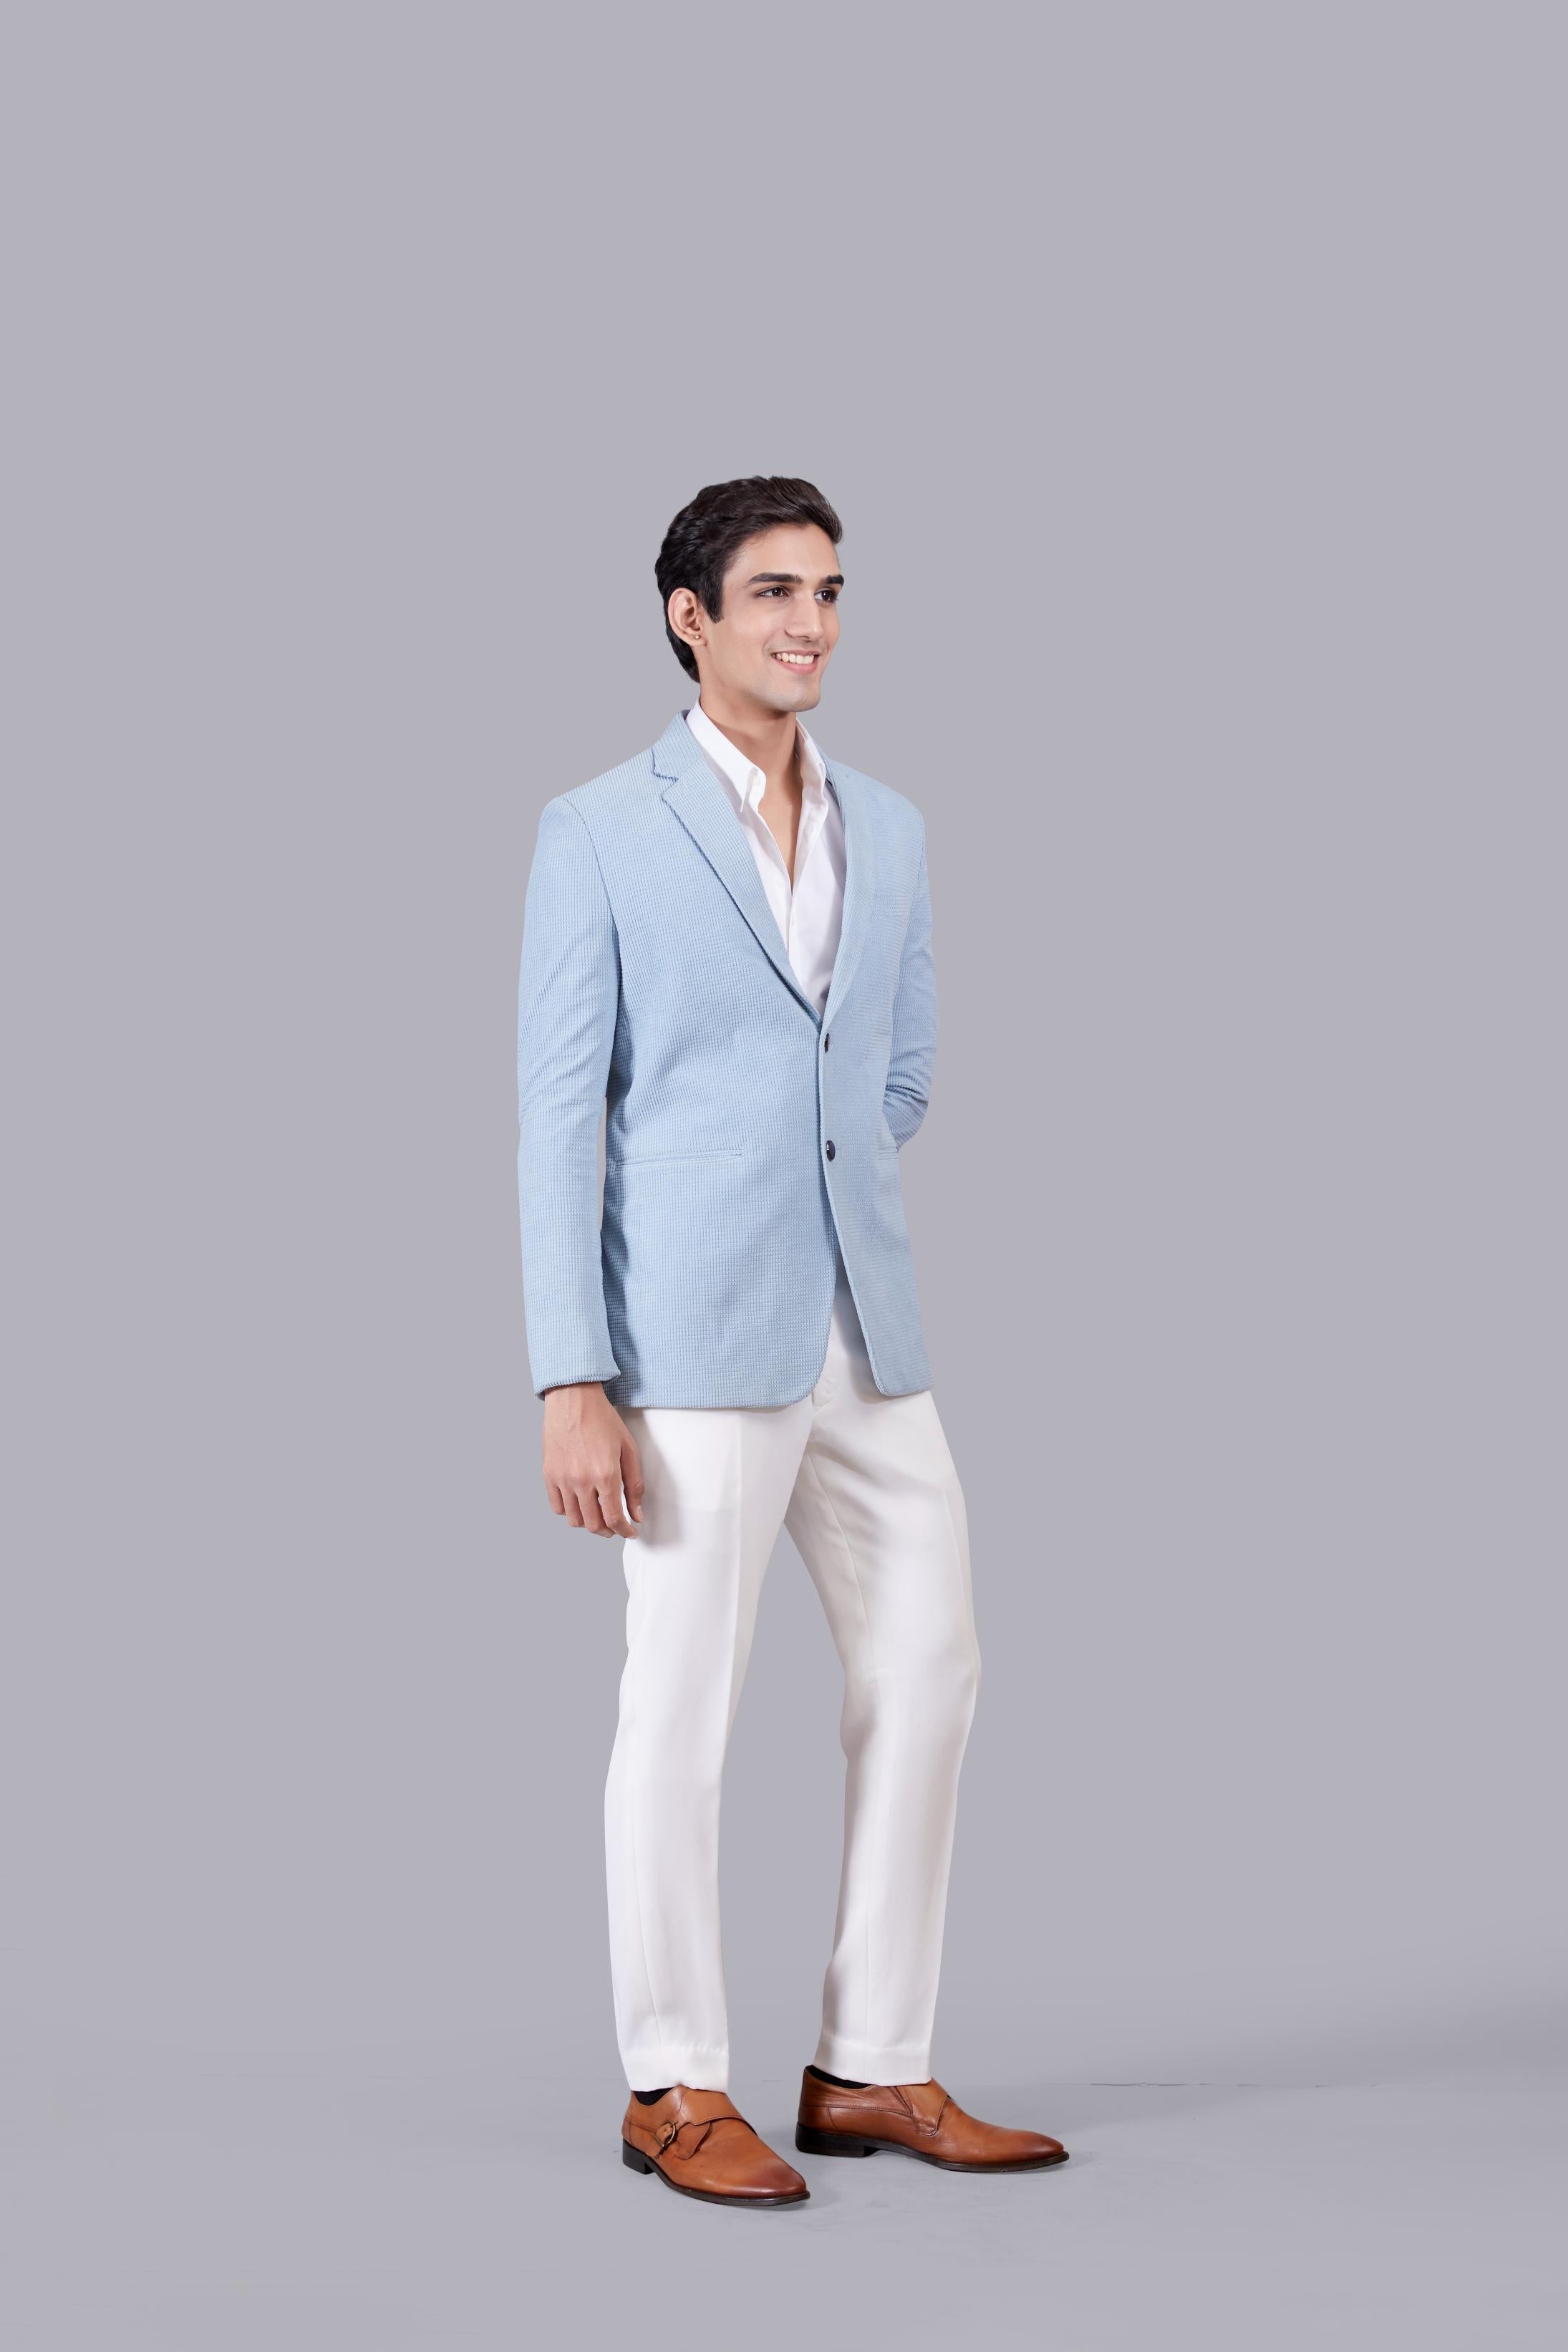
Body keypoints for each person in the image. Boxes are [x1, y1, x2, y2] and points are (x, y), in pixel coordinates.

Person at [516, 476, 1068, 2209]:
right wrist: (572, 1372)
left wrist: (825, 1181)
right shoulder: (597, 828)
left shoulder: (888, 823)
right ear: (690, 616)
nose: (809, 621)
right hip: (686, 1335)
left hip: (863, 1322)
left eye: (828, 588)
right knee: (681, 1710)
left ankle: (872, 2061)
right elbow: (556, 1119)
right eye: (771, 591)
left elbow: (900, 1067)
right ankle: (674, 2082)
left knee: (931, 1662)